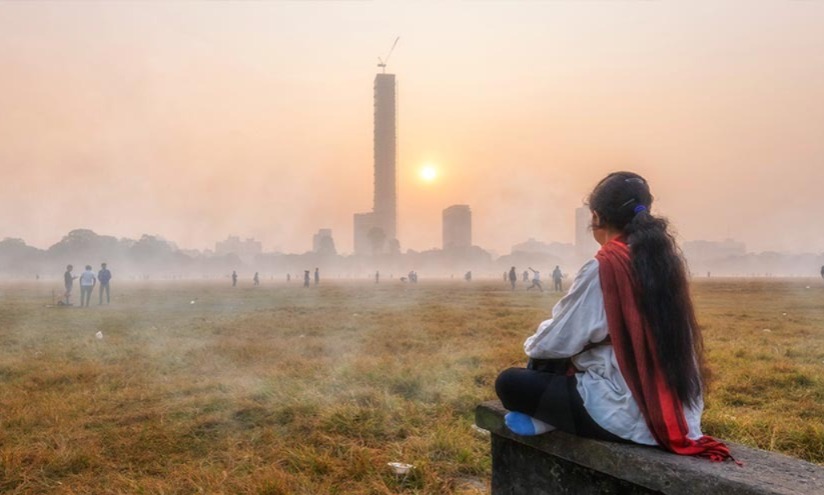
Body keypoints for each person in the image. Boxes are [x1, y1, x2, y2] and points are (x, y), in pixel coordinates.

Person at [495, 171, 732, 462]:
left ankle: (547, 419)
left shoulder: (605, 265)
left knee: (510, 383)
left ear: (596, 217)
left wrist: (537, 336)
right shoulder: (664, 262)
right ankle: (550, 417)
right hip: (679, 411)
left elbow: (552, 344)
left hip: (625, 412)